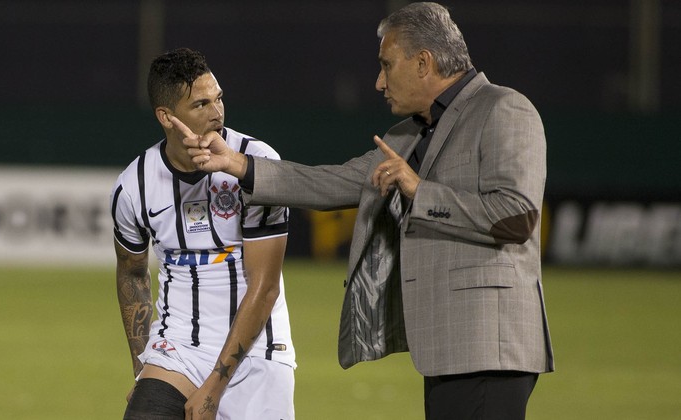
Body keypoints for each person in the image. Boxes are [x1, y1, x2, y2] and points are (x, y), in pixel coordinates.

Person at [178, 2, 554, 419]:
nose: (379, 82)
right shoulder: (413, 131)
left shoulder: (503, 108)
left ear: (423, 62)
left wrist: (420, 191)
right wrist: (236, 163)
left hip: (490, 346)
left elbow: (516, 216)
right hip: (450, 348)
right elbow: (333, 182)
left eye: (387, 65)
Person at [110, 47, 296, 420]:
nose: (217, 113)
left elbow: (265, 287)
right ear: (166, 116)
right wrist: (143, 364)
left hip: (259, 353)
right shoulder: (134, 185)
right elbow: (131, 272)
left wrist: (214, 386)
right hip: (178, 350)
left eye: (219, 98)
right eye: (200, 104)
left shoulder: (258, 165)